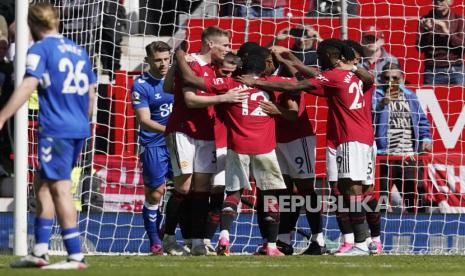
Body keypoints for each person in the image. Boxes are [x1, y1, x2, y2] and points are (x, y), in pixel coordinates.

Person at [237, 38, 376, 256]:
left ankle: (356, 240)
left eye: (319, 56)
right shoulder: (348, 75)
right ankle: (361, 240)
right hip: (351, 137)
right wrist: (293, 59)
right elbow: (317, 77)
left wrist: (256, 83)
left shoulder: (334, 75)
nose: (317, 60)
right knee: (342, 188)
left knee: (349, 188)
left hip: (342, 137)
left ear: (329, 57)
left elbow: (297, 85)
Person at [4, 3, 96, 269]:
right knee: (42, 185)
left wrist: (3, 116)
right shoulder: (79, 50)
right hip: (78, 126)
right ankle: (40, 251)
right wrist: (79, 120)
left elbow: (28, 85)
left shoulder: (40, 49)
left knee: (59, 189)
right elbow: (91, 94)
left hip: (57, 128)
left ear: (31, 24)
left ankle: (76, 255)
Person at [163, 26, 236, 256]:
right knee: (184, 185)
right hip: (184, 131)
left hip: (207, 133)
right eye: (224, 45)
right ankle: (168, 237)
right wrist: (225, 97)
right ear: (210, 44)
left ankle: (197, 241)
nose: (228, 49)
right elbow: (190, 100)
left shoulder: (217, 68)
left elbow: (168, 86)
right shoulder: (192, 64)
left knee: (203, 187)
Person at [130, 41, 174, 255]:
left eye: (167, 59)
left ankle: (169, 229)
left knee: (188, 189)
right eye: (158, 60)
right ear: (148, 61)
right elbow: (144, 120)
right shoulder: (141, 84)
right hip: (154, 144)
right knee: (156, 194)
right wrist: (169, 131)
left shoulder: (179, 78)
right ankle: (155, 241)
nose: (163, 63)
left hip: (180, 143)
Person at [373, 62, 432, 213]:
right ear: (381, 79)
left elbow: (423, 122)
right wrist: (382, 104)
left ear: (403, 78)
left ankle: (419, 232)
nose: (391, 82)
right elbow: (366, 119)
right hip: (383, 157)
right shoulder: (375, 95)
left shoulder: (411, 96)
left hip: (408, 157)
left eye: (395, 78)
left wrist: (426, 140)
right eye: (387, 78)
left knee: (415, 202)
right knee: (381, 203)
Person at [417, 0, 465, 85]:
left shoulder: (459, 19)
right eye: (436, 0)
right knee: (430, 98)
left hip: (456, 70)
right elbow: (420, 48)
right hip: (432, 71)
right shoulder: (425, 20)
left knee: (458, 98)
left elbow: (462, 47)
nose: (438, 2)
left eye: (442, 0)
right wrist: (429, 31)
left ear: (450, 2)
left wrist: (447, 33)